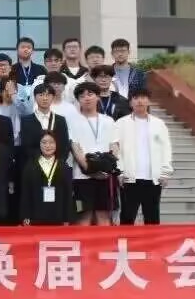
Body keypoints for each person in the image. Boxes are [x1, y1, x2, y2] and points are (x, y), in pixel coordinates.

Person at [112, 88, 174, 226]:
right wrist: (120, 171)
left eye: (143, 97)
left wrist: (165, 172)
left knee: (152, 217)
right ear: (130, 102)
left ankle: (152, 241)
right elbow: (115, 149)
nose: (139, 101)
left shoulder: (159, 124)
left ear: (149, 101)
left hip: (153, 179)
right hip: (129, 178)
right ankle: (125, 240)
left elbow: (166, 148)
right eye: (136, 98)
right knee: (127, 216)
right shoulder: (121, 123)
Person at [71, 81, 118, 226]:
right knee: (83, 217)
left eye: (90, 94)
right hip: (81, 178)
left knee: (104, 216)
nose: (86, 98)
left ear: (98, 97)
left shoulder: (108, 121)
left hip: (105, 178)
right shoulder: (72, 121)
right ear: (78, 100)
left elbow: (114, 146)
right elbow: (75, 148)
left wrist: (107, 168)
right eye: (82, 96)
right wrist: (90, 171)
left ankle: (105, 243)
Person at [19, 131, 74, 226]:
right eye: (44, 142)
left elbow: (68, 194)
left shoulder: (64, 166)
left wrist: (67, 218)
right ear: (39, 144)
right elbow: (26, 193)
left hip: (58, 216)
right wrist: (25, 216)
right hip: (36, 217)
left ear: (56, 144)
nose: (48, 146)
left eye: (51, 142)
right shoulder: (30, 166)